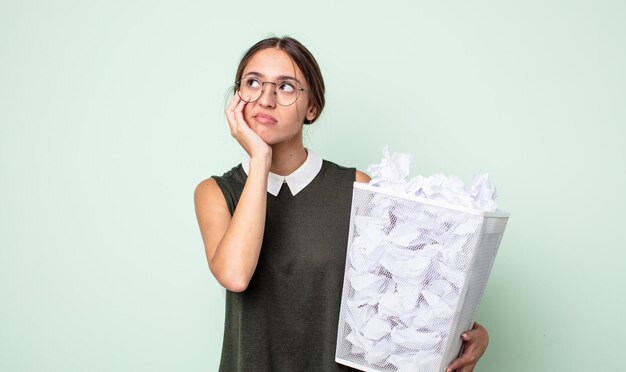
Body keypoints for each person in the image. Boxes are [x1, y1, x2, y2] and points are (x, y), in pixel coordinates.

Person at [194, 36, 489, 372]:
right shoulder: (216, 192)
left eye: (286, 87)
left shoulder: (356, 187)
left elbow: (407, 293)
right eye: (253, 83)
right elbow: (235, 276)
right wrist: (260, 158)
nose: (266, 99)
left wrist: (475, 334)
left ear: (312, 108)